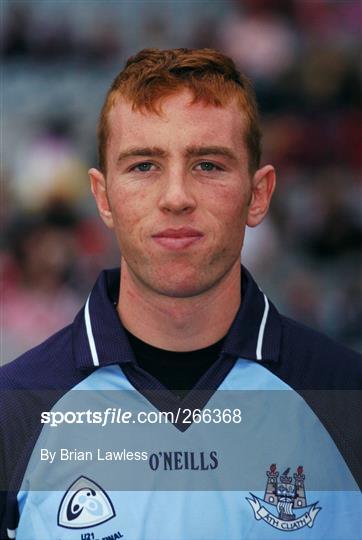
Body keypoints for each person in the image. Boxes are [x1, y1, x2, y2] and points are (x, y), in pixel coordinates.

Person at [0, 48, 361, 540]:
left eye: (208, 165)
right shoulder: (15, 409)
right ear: (103, 198)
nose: (176, 197)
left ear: (259, 195)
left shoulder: (347, 398)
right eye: (144, 166)